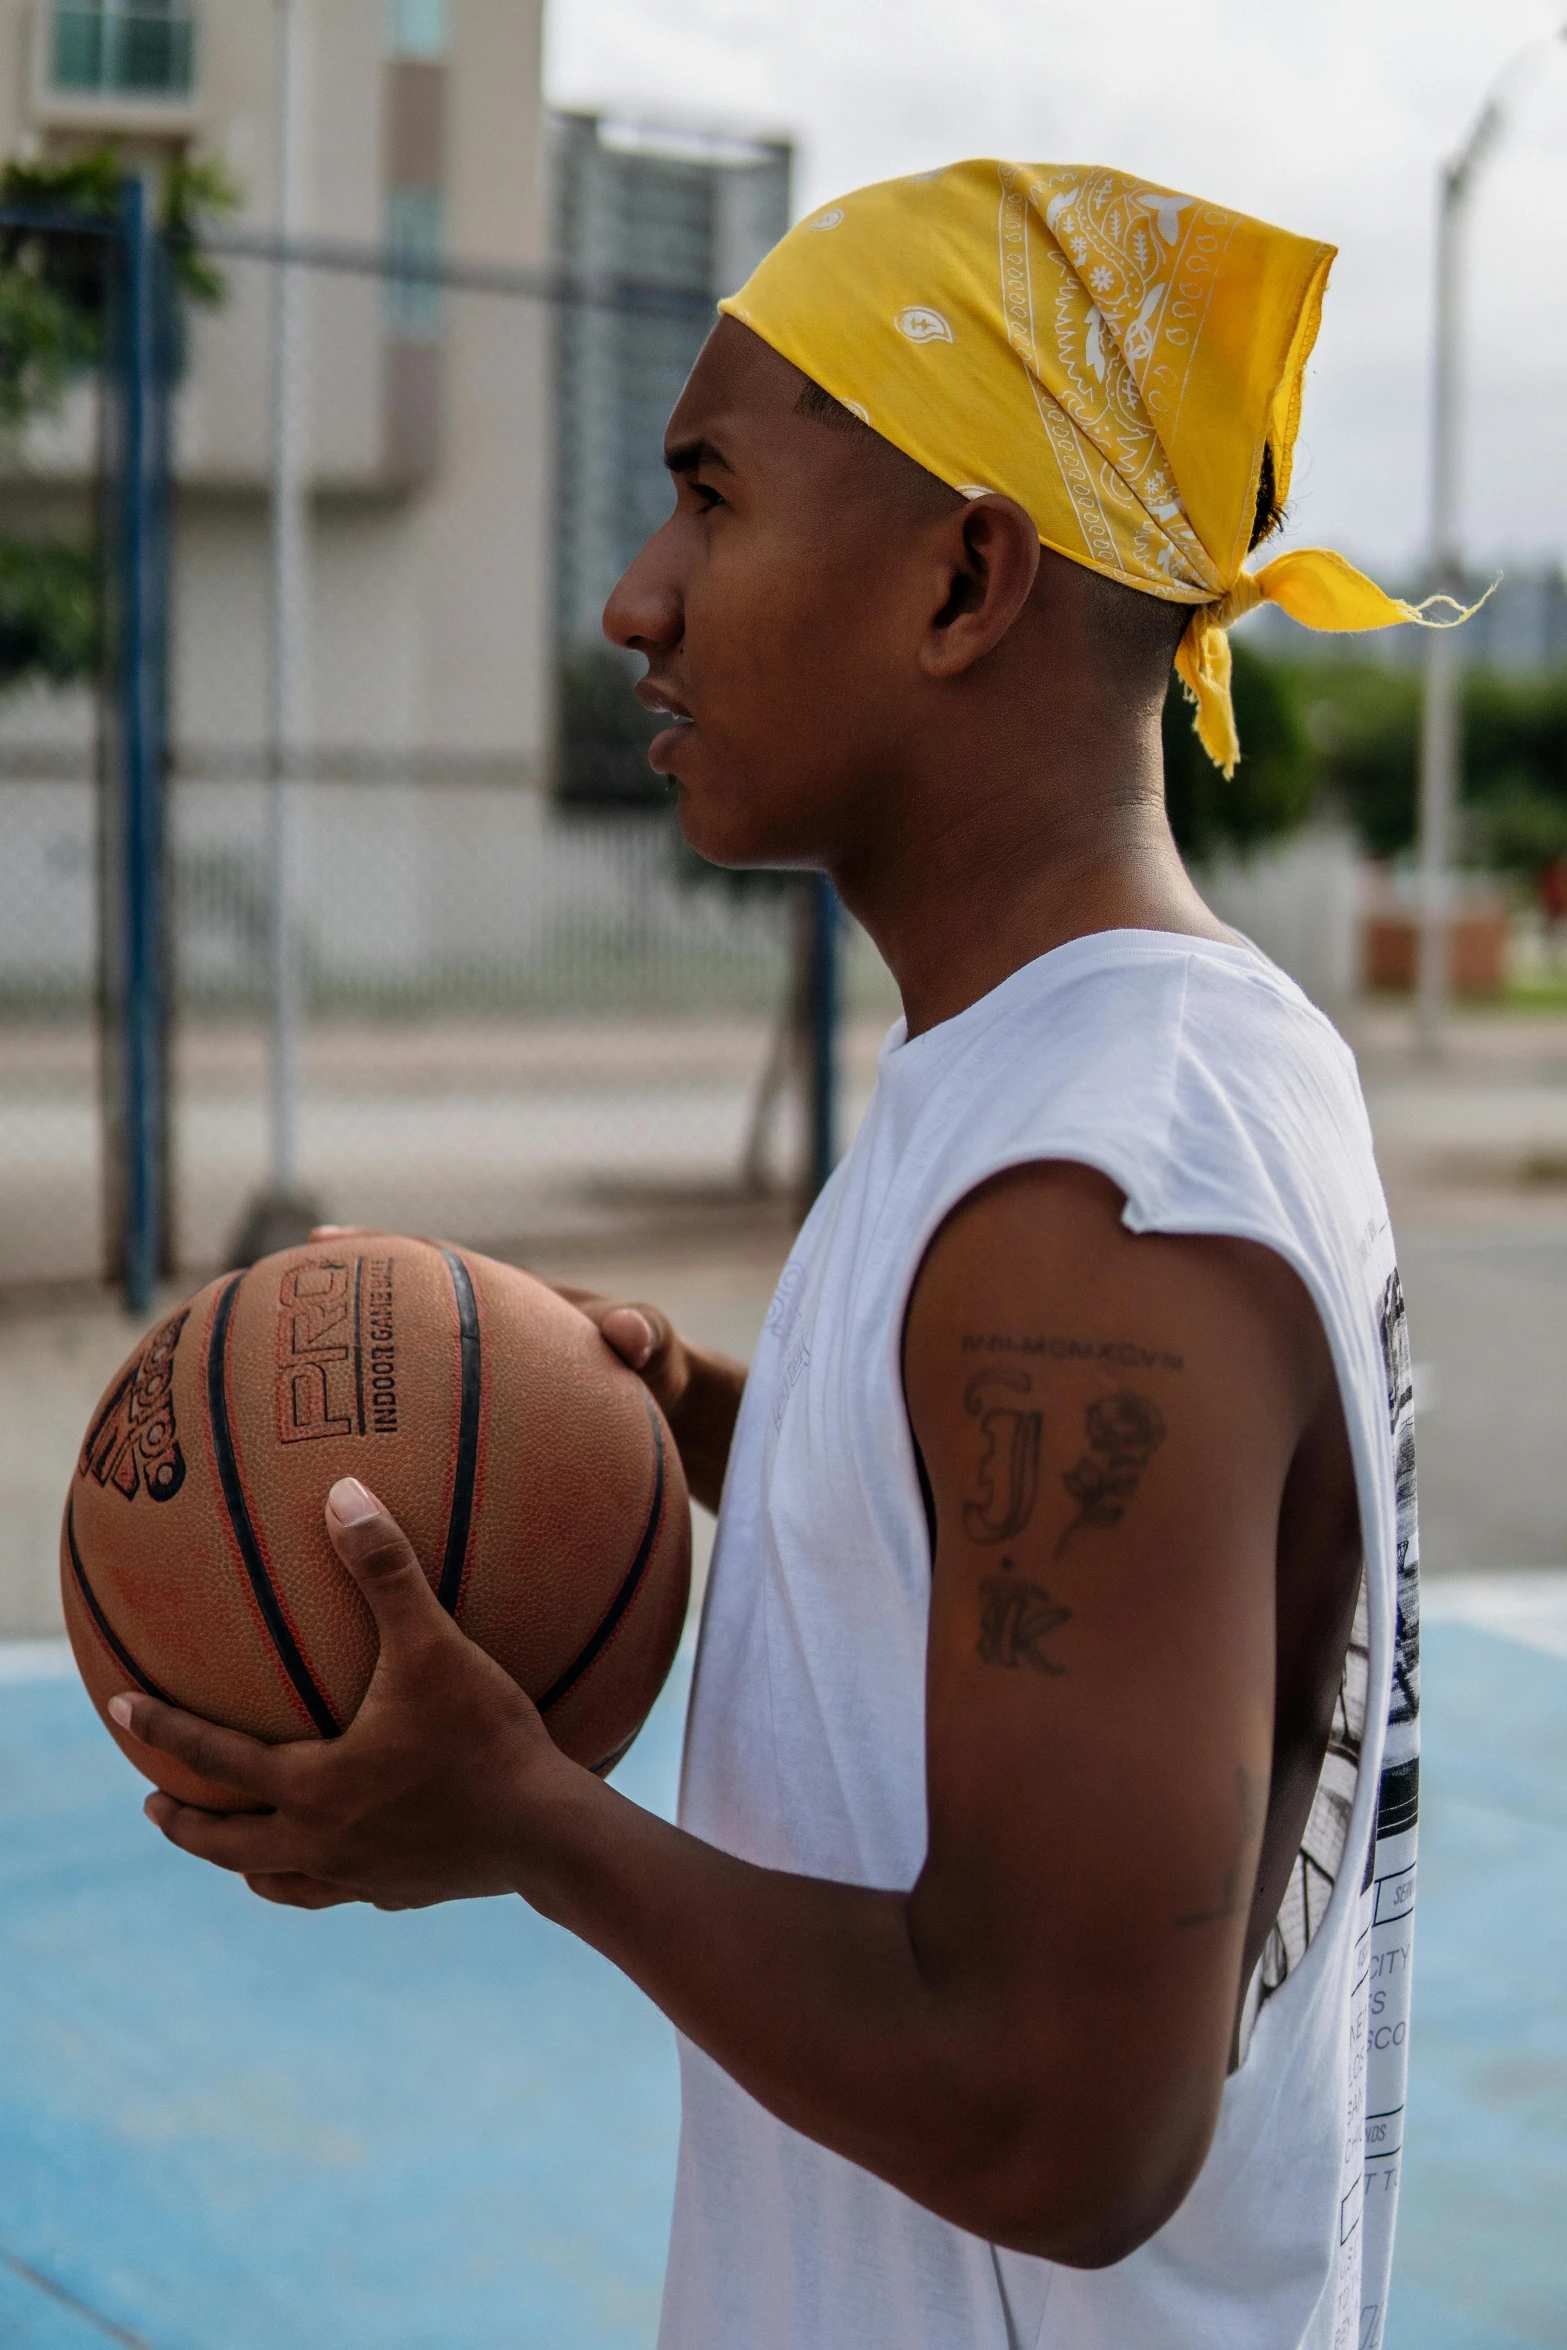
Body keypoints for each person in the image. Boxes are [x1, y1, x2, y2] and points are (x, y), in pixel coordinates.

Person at [108, 162, 1440, 2349]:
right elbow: (1090, 1570)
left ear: (966, 578)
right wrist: (712, 1420)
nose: (638, 599)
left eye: (709, 497)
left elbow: (1062, 2115)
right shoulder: (1142, 1074)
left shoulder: (1084, 1192)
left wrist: (531, 1821)